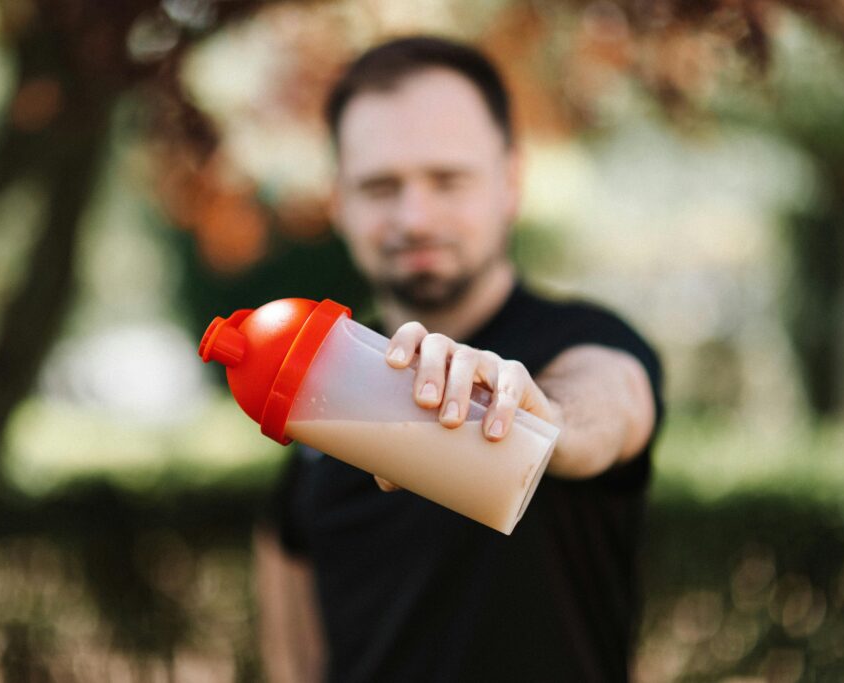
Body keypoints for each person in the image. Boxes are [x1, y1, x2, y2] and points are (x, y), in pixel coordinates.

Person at [253, 35, 664, 683]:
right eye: (381, 185)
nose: (415, 217)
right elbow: (294, 635)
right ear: (339, 201)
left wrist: (546, 421)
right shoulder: (315, 401)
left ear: (511, 183)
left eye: (448, 179)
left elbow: (610, 403)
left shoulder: (583, 344)